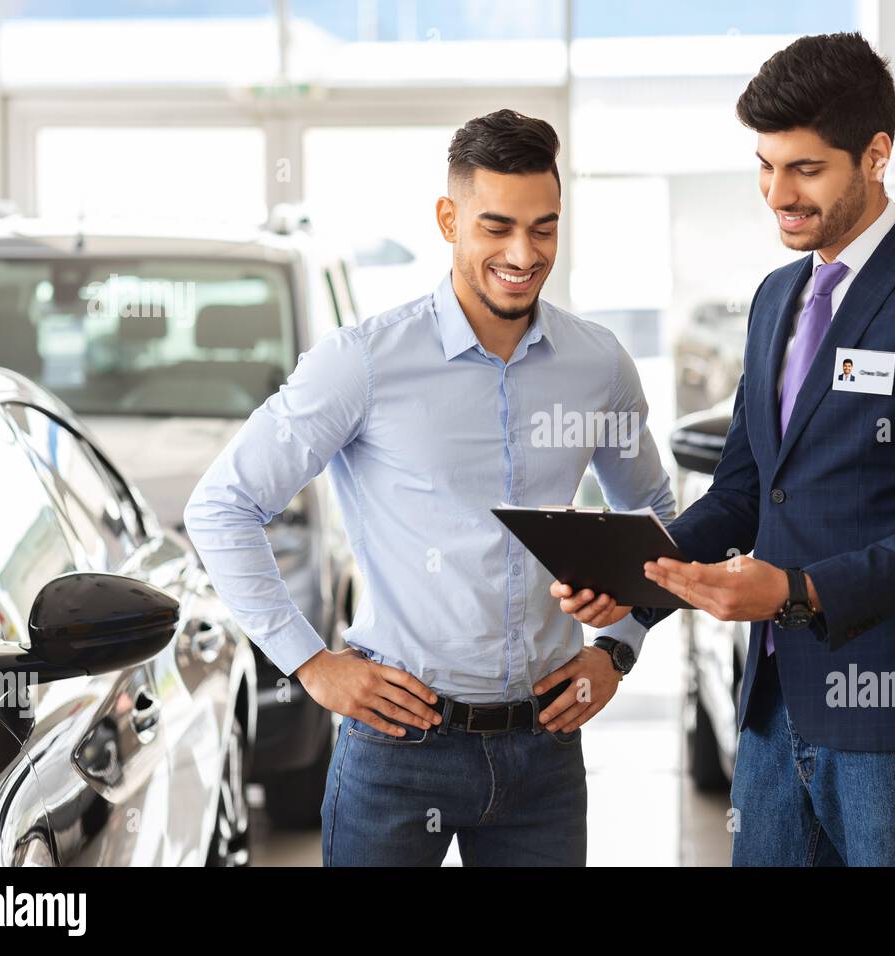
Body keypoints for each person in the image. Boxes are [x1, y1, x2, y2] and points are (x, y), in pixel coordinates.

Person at [553, 32, 895, 866]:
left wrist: (795, 592)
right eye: (766, 167)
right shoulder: (777, 299)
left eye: (804, 169)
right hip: (774, 714)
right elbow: (744, 491)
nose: (778, 194)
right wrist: (633, 581)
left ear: (875, 155)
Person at [184, 109, 675, 866]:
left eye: (543, 228)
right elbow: (222, 506)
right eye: (496, 226)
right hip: (397, 753)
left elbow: (655, 517)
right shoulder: (365, 363)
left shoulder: (599, 365)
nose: (522, 253)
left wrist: (620, 645)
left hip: (546, 750)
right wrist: (311, 664)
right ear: (449, 219)